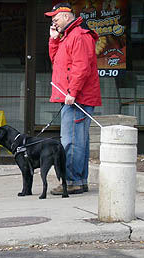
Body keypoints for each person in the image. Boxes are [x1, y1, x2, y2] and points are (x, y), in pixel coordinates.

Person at [44, 3, 101, 195]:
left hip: (76, 98)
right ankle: (78, 180)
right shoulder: (68, 36)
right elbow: (57, 61)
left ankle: (72, 181)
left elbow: (81, 67)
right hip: (72, 96)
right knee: (78, 140)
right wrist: (54, 39)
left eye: (56, 18)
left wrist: (73, 92)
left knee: (71, 141)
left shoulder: (78, 36)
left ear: (67, 17)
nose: (54, 22)